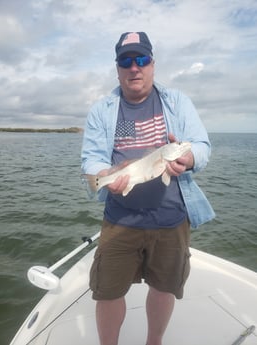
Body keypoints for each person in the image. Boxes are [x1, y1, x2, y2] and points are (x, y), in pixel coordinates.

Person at [81, 32, 215, 345]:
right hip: (120, 219)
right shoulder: (103, 110)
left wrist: (188, 156)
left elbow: (201, 145)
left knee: (164, 286)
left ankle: (154, 342)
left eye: (141, 59)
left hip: (171, 219)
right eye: (126, 61)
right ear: (117, 68)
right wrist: (105, 175)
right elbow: (92, 158)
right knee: (108, 291)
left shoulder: (177, 101)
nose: (134, 67)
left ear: (152, 64)